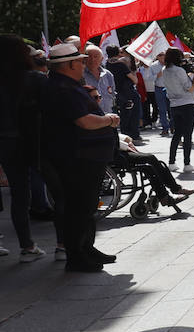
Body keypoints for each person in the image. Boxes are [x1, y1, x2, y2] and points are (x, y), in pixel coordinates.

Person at [41, 43, 120, 273]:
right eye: (80, 61)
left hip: (82, 156)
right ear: (69, 65)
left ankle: (86, 248)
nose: (82, 65)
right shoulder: (63, 88)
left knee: (85, 207)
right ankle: (77, 255)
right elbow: (84, 121)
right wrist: (109, 120)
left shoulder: (65, 85)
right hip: (77, 157)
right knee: (79, 207)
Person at [0, 35, 46, 260]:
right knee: (55, 189)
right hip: (35, 142)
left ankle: (27, 245)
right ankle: (62, 245)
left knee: (19, 194)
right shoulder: (35, 79)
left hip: (5, 143)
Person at [163, 48, 194, 170]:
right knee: (188, 134)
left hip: (174, 105)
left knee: (177, 134)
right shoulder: (179, 70)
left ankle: (171, 162)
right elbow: (189, 88)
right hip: (187, 103)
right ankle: (187, 164)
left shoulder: (165, 70)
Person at [83, 45, 115, 114]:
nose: (92, 59)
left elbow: (112, 93)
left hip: (108, 115)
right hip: (90, 116)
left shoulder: (107, 74)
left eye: (96, 56)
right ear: (84, 58)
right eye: (89, 56)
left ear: (102, 59)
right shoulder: (80, 75)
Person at [150, 52, 170, 136]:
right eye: (160, 55)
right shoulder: (153, 65)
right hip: (159, 88)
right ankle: (165, 127)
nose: (162, 57)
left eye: (163, 55)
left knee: (171, 108)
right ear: (157, 56)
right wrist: (158, 75)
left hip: (170, 88)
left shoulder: (170, 64)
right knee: (162, 109)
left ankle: (173, 127)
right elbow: (150, 78)